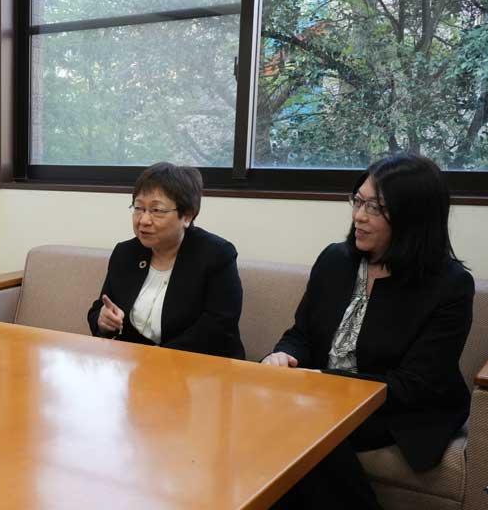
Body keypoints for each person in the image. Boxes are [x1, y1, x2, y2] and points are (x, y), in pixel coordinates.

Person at [262, 154, 474, 509]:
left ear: (413, 217)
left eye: (376, 208)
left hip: (397, 409)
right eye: (358, 201)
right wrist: (284, 354)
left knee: (304, 433)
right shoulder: (335, 260)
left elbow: (415, 384)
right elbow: (302, 333)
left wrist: (318, 383)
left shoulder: (450, 285)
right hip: (321, 398)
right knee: (271, 417)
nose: (359, 216)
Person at [87, 162, 244, 359]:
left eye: (157, 210)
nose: (143, 220)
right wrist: (103, 320)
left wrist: (158, 359)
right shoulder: (125, 253)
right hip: (136, 368)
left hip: (199, 369)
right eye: (138, 208)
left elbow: (218, 327)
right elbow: (100, 308)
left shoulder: (216, 255)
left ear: (187, 215)